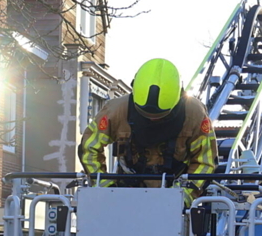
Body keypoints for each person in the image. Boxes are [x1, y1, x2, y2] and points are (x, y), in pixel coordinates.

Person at [78, 58, 217, 204]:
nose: (152, 121)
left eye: (159, 117)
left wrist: (182, 198)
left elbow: (205, 162)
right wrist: (106, 189)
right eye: (146, 116)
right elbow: (89, 149)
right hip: (125, 195)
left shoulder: (194, 114)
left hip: (175, 192)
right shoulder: (116, 111)